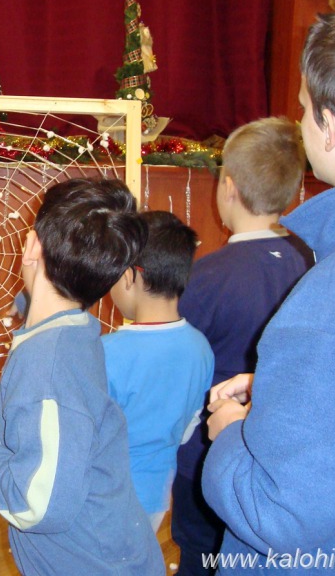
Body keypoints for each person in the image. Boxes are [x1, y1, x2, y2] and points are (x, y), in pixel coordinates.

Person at [202, 2, 335, 574]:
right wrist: (287, 386)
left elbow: (278, 514)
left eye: (304, 107)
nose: (299, 121)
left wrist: (228, 434)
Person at [0, 178, 164, 575]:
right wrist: (28, 300)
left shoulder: (48, 369)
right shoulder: (73, 326)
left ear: (30, 246)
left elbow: (36, 505)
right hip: (110, 549)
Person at [171, 116, 315, 575]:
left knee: (200, 556)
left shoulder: (206, 275)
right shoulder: (313, 262)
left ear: (227, 188)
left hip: (208, 461)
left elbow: (179, 370)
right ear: (292, 193)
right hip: (283, 459)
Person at [102, 211, 213, 533]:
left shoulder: (108, 352)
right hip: (155, 499)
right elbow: (186, 429)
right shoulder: (201, 347)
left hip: (105, 499)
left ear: (129, 277)